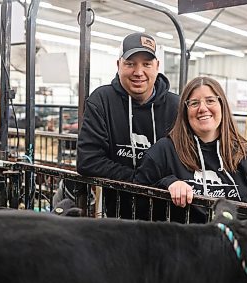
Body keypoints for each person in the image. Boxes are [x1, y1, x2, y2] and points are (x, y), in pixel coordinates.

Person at [134, 76, 247, 223]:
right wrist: (166, 184)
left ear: (222, 105)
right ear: (185, 110)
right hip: (180, 243)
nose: (203, 108)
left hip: (233, 244)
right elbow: (138, 204)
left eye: (210, 100)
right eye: (194, 103)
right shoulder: (163, 152)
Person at [76, 32, 179, 218]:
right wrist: (140, 180)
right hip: (119, 214)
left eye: (146, 64)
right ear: (118, 65)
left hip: (170, 215)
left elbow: (187, 160)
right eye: (130, 64)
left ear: (157, 67)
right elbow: (88, 160)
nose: (138, 72)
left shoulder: (176, 106)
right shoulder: (101, 101)